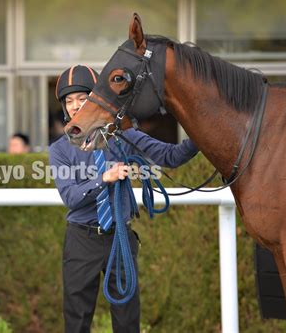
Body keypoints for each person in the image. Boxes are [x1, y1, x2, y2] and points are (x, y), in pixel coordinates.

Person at [48, 65, 199, 333]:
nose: (74, 106)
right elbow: (70, 196)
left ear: (96, 98)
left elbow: (171, 156)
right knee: (76, 321)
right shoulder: (59, 149)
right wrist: (103, 178)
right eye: (69, 101)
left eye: (81, 98)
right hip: (81, 240)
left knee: (128, 320)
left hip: (120, 236)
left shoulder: (123, 135)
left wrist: (201, 134)